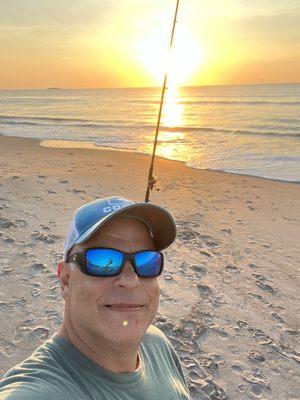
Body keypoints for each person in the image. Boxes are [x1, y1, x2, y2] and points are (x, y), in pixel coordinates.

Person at [0, 196, 190, 399]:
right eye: (102, 260)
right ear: (66, 280)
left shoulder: (156, 343)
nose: (131, 279)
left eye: (146, 261)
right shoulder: (37, 392)